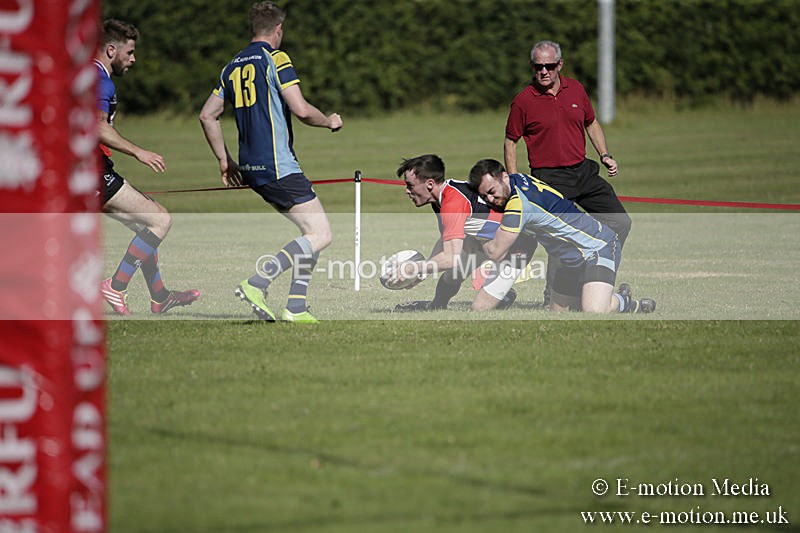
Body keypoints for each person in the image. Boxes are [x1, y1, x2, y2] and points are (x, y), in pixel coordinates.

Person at [199, 1, 342, 323]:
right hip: (277, 164)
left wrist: (224, 160)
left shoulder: (232, 66)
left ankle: (296, 307)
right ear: (278, 29)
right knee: (321, 234)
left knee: (309, 233)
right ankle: (257, 282)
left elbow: (207, 115)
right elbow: (301, 110)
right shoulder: (276, 58)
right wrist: (329, 121)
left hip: (250, 167)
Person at [504, 40, 632, 303]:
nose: (544, 71)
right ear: (532, 67)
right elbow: (510, 141)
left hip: (583, 172)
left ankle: (598, 279)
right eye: (538, 66)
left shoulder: (576, 89)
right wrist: (515, 181)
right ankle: (554, 297)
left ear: (560, 65)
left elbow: (591, 123)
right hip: (549, 179)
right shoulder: (523, 101)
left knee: (620, 222)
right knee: (561, 239)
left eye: (549, 66)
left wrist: (604, 155)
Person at [97, 19, 200, 316]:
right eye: (129, 52)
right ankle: (115, 286)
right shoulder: (100, 80)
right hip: (91, 173)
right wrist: (138, 151)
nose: (133, 59)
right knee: (160, 221)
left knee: (146, 226)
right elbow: (97, 126)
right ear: (112, 50)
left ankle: (160, 297)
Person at [469, 159, 654, 314]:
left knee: (594, 310)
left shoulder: (518, 205)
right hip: (570, 260)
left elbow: (495, 253)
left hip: (598, 247)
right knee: (559, 313)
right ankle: (597, 294)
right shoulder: (518, 180)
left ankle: (625, 302)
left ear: (504, 177)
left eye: (492, 192)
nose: (490, 200)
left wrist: (475, 230)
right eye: (485, 196)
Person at [388, 154, 537, 312]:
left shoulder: (452, 203)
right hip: (485, 242)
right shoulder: (441, 198)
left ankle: (504, 295)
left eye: (410, 185)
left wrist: (413, 269)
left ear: (430, 184)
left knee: (479, 309)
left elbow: (449, 259)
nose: (407, 191)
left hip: (518, 244)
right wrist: (422, 273)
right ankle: (436, 307)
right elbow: (445, 240)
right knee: (453, 274)